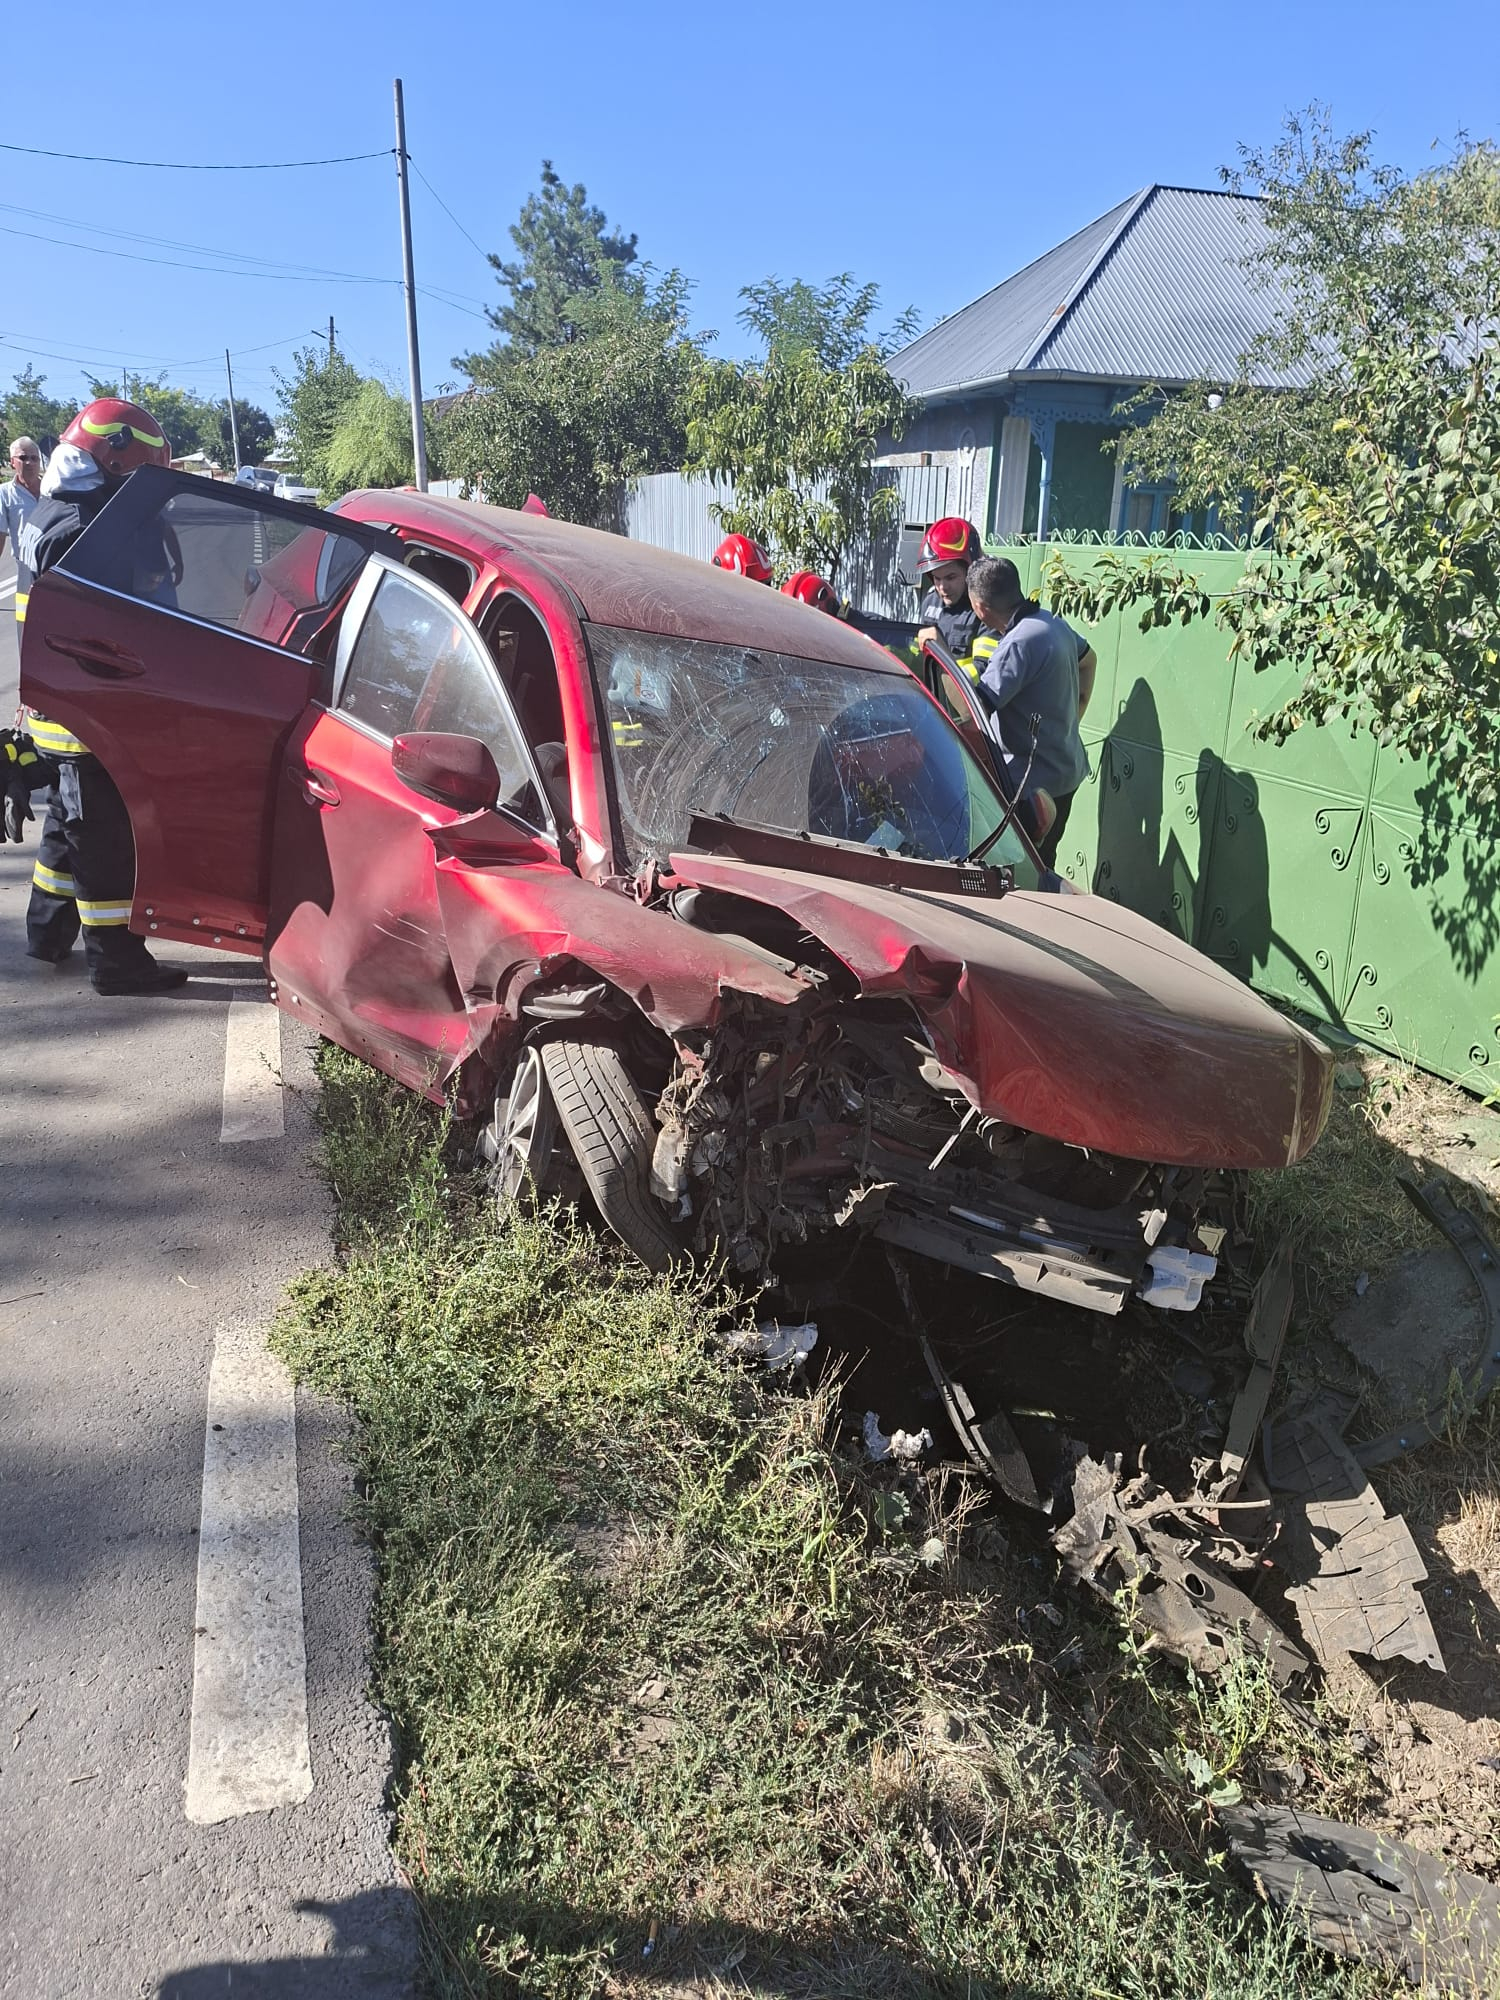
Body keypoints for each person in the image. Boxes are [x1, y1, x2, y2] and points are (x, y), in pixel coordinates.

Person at [17, 395, 187, 995]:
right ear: (115, 461)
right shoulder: (89, 529)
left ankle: (45, 933)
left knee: (67, 826)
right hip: (90, 720)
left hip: (57, 712)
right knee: (106, 845)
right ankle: (117, 964)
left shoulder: (51, 512)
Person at [966, 555, 1089, 870]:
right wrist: (1075, 715)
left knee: (1018, 872)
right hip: (1066, 772)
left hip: (1031, 789)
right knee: (1044, 863)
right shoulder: (1052, 623)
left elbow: (976, 708)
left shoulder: (1016, 645)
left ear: (979, 606)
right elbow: (1089, 660)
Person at [909, 516, 983, 674]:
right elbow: (917, 656)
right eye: (937, 578)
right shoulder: (930, 603)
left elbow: (983, 675)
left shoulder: (983, 610)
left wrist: (944, 655)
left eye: (951, 577)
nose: (942, 587)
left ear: (971, 572)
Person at [1, 435, 43, 559]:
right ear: (12, 462)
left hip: (56, 565)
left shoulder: (53, 490)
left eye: (34, 458)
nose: (29, 462)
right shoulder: (3, 494)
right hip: (26, 568)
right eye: (23, 458)